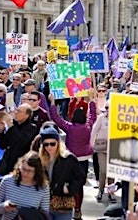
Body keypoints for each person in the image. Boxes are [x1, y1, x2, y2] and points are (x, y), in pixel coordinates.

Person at [48, 89, 97, 219]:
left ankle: (68, 205)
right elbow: (93, 116)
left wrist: (52, 103)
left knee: (69, 183)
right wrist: (92, 100)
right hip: (84, 160)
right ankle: (78, 209)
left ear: (73, 117)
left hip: (70, 160)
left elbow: (56, 119)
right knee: (79, 185)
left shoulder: (69, 128)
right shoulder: (88, 127)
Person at [39, 127, 85, 220]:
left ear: (58, 143)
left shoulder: (69, 158)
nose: (49, 147)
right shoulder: (40, 160)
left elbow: (80, 178)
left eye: (52, 144)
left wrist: (69, 189)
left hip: (63, 205)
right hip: (44, 204)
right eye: (46, 144)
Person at [0, 151, 50, 220]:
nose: (25, 173)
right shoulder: (7, 181)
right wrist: (4, 206)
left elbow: (45, 214)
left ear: (37, 171)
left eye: (29, 171)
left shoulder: (43, 188)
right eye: (23, 169)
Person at [0, 103, 38, 175]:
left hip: (21, 164)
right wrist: (1, 130)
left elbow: (21, 143)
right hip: (8, 163)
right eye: (16, 110)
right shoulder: (14, 125)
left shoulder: (31, 128)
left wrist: (11, 125)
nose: (16, 113)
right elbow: (3, 145)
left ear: (27, 115)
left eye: (19, 111)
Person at [90, 102, 113, 202]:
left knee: (112, 172)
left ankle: (111, 193)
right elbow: (94, 131)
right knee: (103, 170)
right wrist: (91, 145)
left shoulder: (118, 118)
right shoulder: (101, 118)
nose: (108, 110)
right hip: (101, 147)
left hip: (113, 148)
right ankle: (101, 190)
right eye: (107, 108)